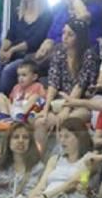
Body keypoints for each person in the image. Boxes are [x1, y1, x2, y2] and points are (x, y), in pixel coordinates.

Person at [33, 19, 98, 149]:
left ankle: (61, 158)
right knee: (41, 121)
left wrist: (66, 110)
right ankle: (37, 160)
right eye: (64, 33)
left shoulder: (89, 55)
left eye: (70, 34)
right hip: (60, 102)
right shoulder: (59, 52)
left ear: (79, 37)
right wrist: (45, 109)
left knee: (67, 122)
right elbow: (53, 83)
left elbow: (80, 85)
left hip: (81, 103)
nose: (65, 37)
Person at [32, 0, 102, 71]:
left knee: (40, 66)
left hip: (79, 52)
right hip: (57, 49)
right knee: (27, 63)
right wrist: (46, 43)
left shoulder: (94, 8)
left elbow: (82, 17)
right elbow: (51, 35)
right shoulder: (60, 9)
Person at [0, 0, 53, 95]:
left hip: (30, 56)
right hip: (12, 52)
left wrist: (12, 50)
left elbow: (35, 41)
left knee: (8, 70)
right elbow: (10, 35)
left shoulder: (46, 15)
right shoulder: (18, 13)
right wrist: (2, 49)